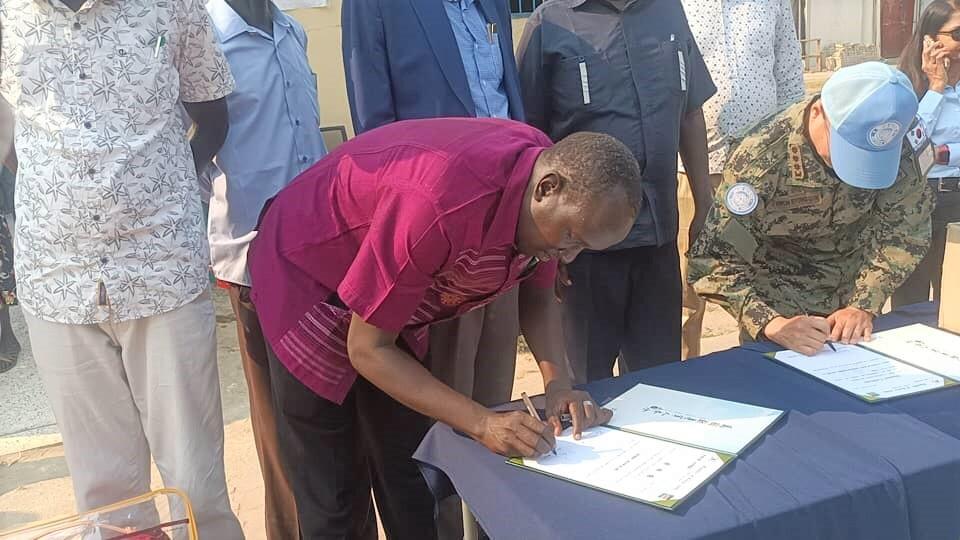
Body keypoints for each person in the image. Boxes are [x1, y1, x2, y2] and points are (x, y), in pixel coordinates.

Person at [248, 118, 640, 539]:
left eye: (583, 247)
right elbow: (368, 349)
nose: (569, 255)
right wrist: (482, 423)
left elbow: (539, 296)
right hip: (307, 279)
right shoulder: (441, 203)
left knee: (410, 468)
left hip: (392, 291)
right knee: (334, 491)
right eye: (570, 237)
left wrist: (558, 383)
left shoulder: (547, 183)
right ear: (547, 188)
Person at [0, 0, 242, 536]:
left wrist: (158, 184)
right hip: (56, 280)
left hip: (162, 270)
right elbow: (15, 146)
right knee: (106, 498)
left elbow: (212, 116)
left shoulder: (173, 5)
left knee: (196, 485)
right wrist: (61, 192)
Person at [517, 0, 716, 383]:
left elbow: (690, 112)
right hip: (581, 253)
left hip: (658, 238)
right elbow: (529, 136)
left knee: (660, 380)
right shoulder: (550, 23)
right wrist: (545, 249)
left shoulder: (667, 11)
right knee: (587, 385)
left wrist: (704, 203)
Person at [342, 0, 526, 408]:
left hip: (506, 213)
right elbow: (375, 125)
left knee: (496, 376)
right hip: (440, 222)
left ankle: (490, 449)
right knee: (450, 383)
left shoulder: (490, 6)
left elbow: (506, 99)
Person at [689, 62, 933, 356]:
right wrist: (770, 323)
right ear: (818, 111)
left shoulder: (896, 137)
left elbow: (905, 232)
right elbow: (713, 259)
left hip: (856, 298)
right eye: (847, 148)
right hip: (780, 305)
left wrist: (864, 303)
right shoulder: (761, 158)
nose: (852, 169)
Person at [205, 1, 328, 538]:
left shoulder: (291, 31)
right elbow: (190, 154)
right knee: (279, 417)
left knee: (324, 408)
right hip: (254, 260)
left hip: (319, 252)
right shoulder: (205, 36)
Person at [678, 0, 805, 358]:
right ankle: (682, 375)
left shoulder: (772, 3)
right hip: (693, 167)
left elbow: (790, 81)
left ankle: (762, 367)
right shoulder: (673, 5)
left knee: (765, 278)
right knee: (687, 287)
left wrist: (790, 158)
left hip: (763, 171)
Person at [894, 0, 960, 308]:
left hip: (956, 197)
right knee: (911, 299)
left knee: (954, 299)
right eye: (957, 33)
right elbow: (909, 145)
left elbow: (930, 150)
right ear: (930, 39)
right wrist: (936, 87)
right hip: (916, 198)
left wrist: (944, 153)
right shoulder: (905, 83)